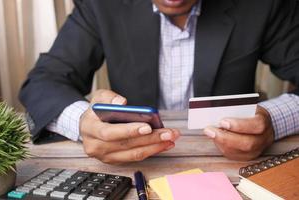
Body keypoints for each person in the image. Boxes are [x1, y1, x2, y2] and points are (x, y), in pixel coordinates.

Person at [19, 0, 299, 164]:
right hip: (133, 168)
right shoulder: (100, 4)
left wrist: (274, 120)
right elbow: (45, 81)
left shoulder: (264, 4)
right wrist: (82, 122)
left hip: (228, 165)